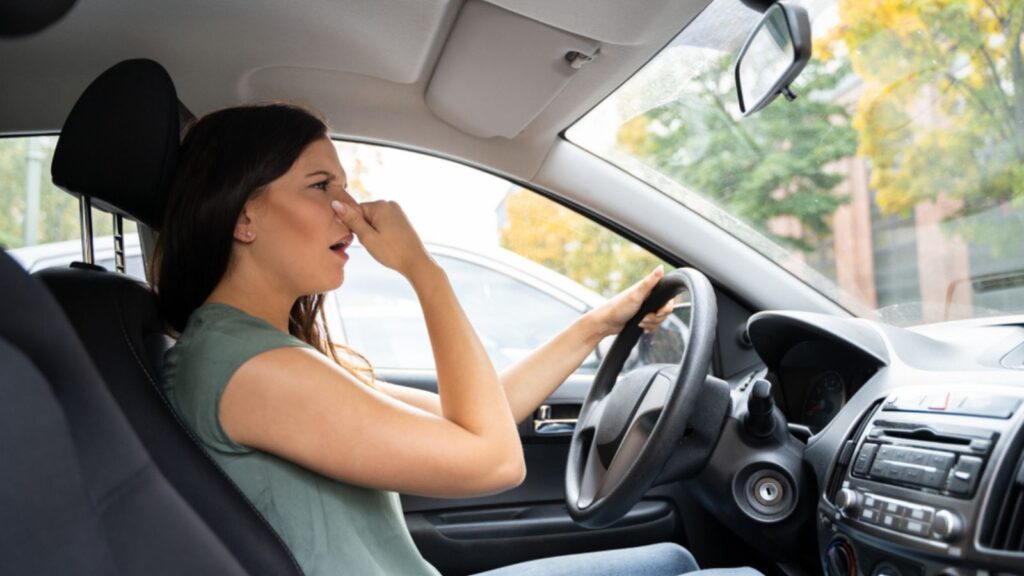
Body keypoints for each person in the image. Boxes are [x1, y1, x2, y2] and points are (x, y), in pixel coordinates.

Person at [156, 104, 742, 576]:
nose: (350, 208)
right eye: (320, 185)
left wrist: (595, 325)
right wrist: (422, 271)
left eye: (344, 184)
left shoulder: (252, 349)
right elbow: (495, 461)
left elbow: (475, 417)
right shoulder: (252, 369)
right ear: (244, 218)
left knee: (676, 560)